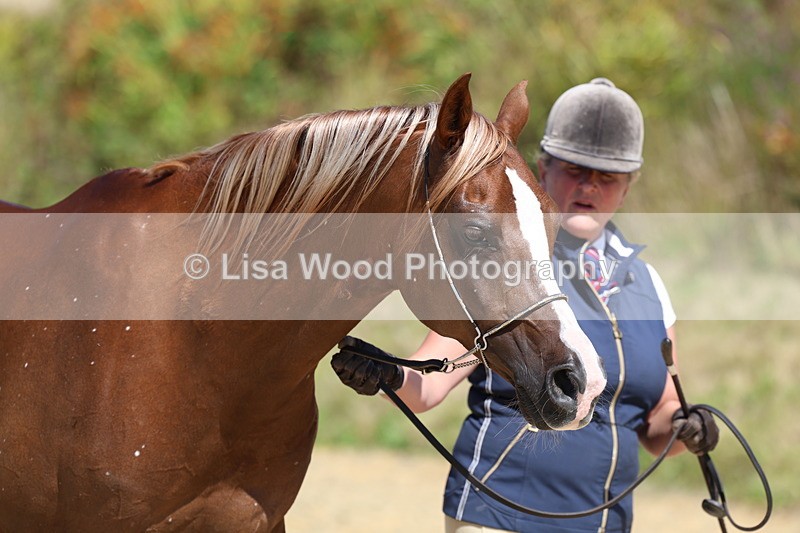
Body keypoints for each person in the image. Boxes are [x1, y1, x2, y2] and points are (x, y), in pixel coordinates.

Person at [331, 78, 719, 533]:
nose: (589, 186)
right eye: (575, 169)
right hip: (498, 516)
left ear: (628, 188)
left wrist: (687, 425)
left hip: (601, 525)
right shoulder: (507, 261)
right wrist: (390, 375)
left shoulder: (647, 284)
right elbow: (430, 383)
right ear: (541, 167)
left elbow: (657, 422)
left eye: (607, 177)